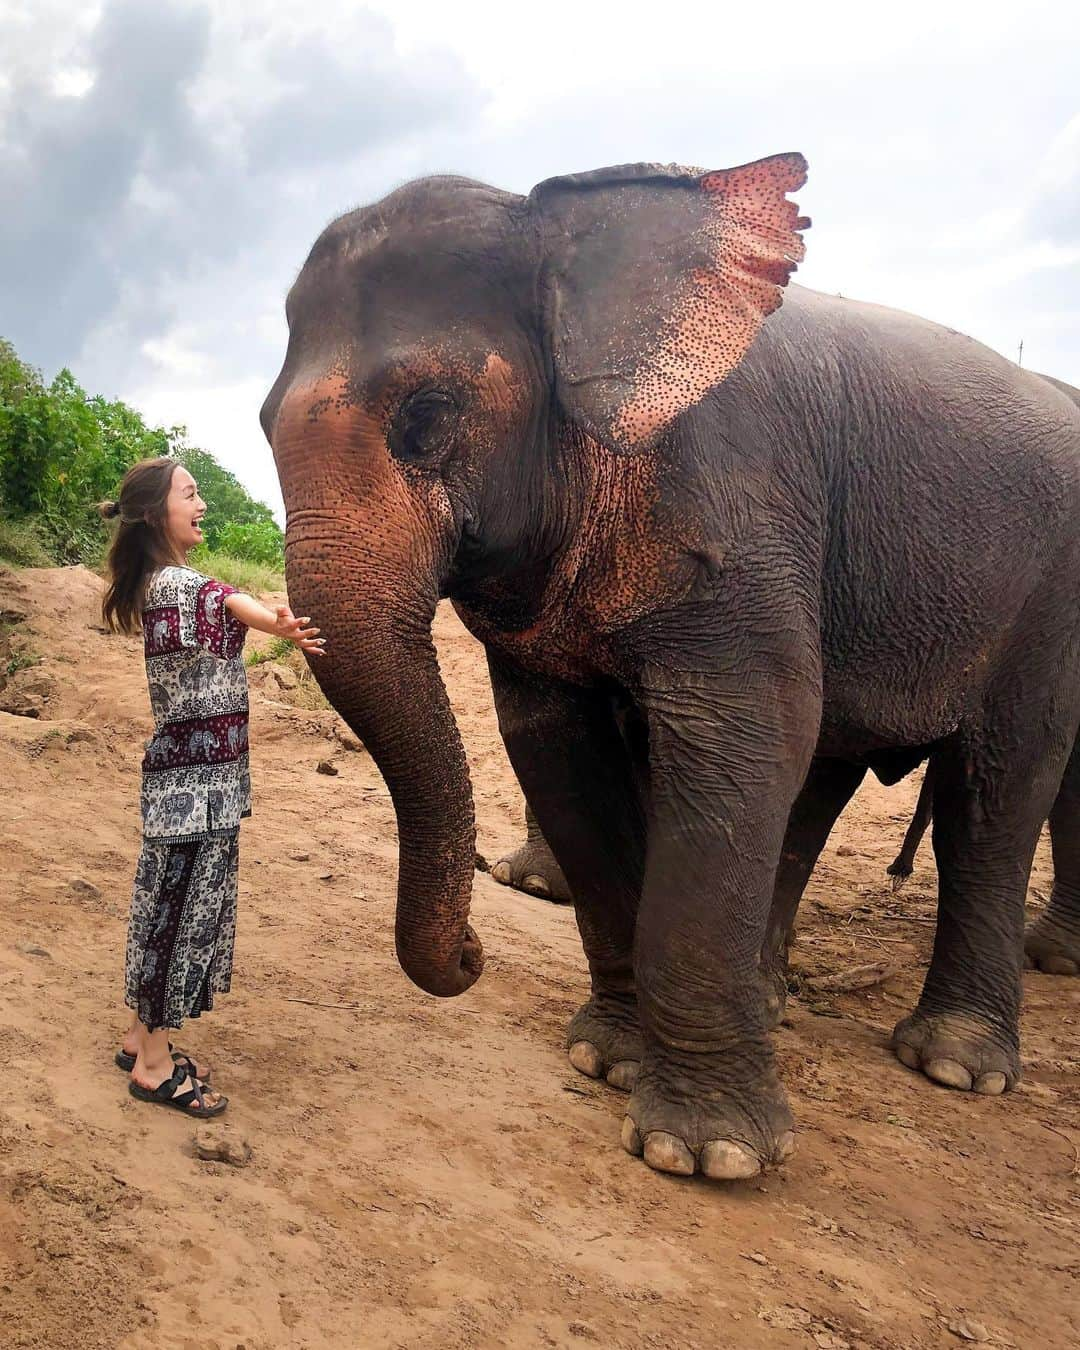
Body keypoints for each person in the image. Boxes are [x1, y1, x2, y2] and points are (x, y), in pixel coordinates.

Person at [99, 456, 325, 1117]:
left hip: (192, 785)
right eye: (190, 493)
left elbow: (223, 617)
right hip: (193, 792)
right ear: (154, 513)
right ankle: (155, 1067)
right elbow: (226, 600)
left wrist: (264, 618)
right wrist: (276, 621)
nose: (202, 503)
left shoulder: (164, 585)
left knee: (167, 911)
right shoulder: (176, 587)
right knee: (180, 920)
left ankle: (139, 1037)